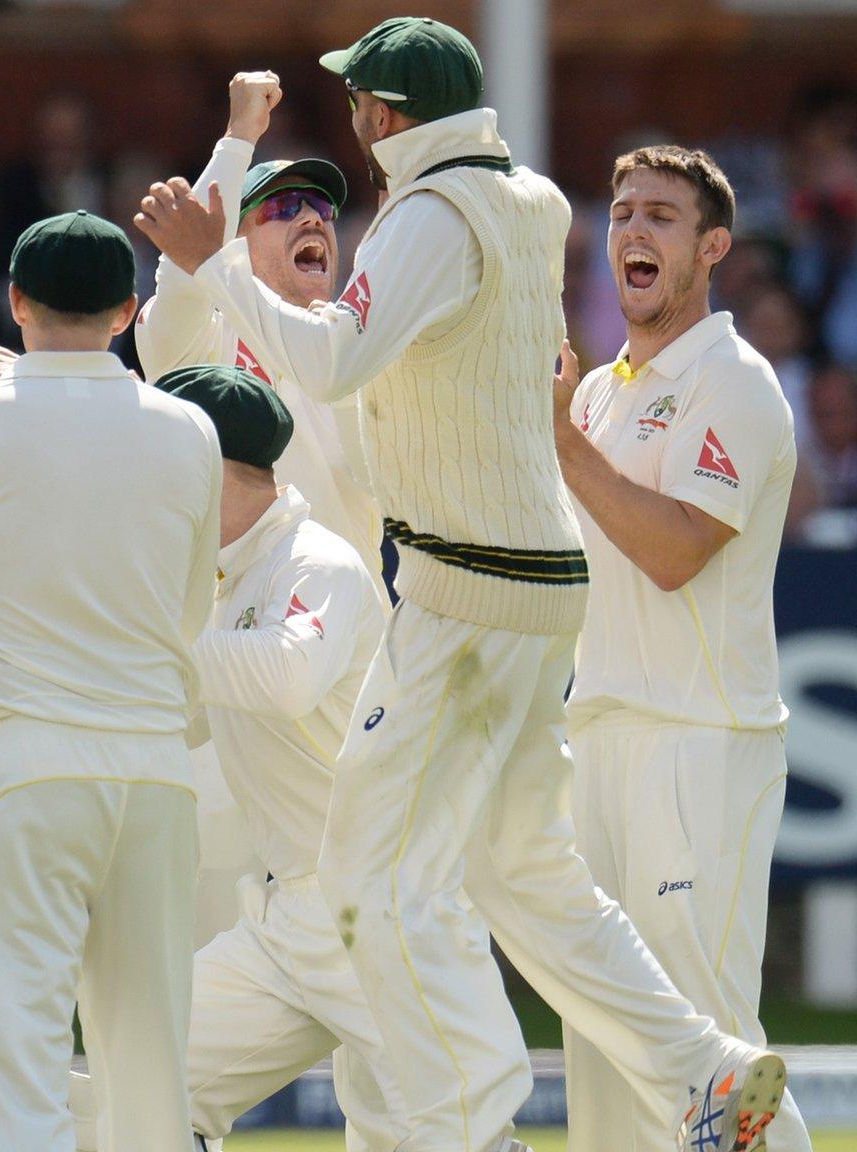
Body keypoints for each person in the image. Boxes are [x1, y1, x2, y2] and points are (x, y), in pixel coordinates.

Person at [140, 20, 786, 1152]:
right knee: (519, 866)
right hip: (528, 584)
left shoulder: (432, 213)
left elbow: (338, 358)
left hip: (465, 588)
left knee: (371, 882)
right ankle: (702, 1070)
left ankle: (480, 1130)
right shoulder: (527, 198)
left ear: (381, 118)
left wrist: (216, 264)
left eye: (357, 105)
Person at [0, 209, 219, 1152]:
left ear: (14, 301)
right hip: (154, 771)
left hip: (17, 771)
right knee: (150, 1068)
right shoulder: (188, 428)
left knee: (5, 1059)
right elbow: (189, 620)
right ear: (128, 310)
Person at [63, 364, 402, 1152]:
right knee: (141, 1092)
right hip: (291, 920)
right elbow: (181, 718)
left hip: (376, 909)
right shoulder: (224, 582)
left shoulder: (318, 561)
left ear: (199, 463)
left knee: (437, 1133)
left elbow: (286, 675)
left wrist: (146, 647)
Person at [555, 145, 812, 1152]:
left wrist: (561, 441)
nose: (632, 231)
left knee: (706, 1055)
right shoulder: (595, 393)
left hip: (699, 743)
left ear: (710, 246)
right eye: (621, 212)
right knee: (609, 1045)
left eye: (659, 215)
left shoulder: (734, 384)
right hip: (600, 738)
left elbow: (672, 555)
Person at [135, 72, 384, 580]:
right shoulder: (202, 340)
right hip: (225, 640)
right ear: (231, 238)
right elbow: (185, 258)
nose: (312, 218)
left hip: (353, 638)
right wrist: (240, 134)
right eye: (283, 207)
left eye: (322, 207)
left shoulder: (364, 341)